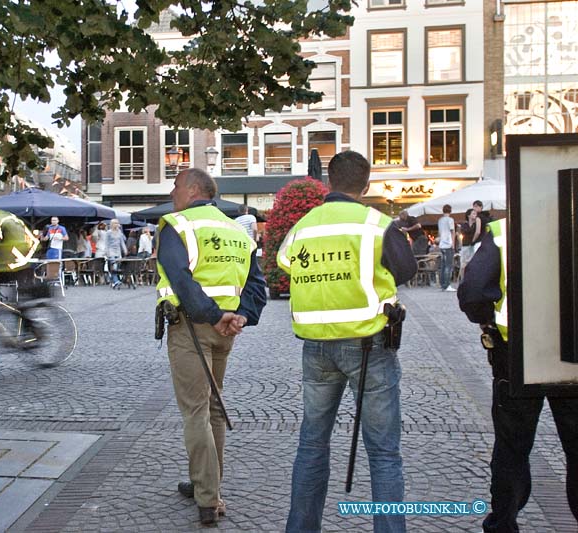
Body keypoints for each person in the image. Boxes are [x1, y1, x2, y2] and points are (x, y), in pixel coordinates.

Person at [278, 151, 416, 533]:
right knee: (384, 452)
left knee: (311, 444)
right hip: (368, 344)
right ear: (366, 185)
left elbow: (286, 262)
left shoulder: (303, 226)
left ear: (329, 183)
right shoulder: (376, 223)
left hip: (316, 346)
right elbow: (406, 268)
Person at [158, 168, 266, 525]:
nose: (172, 193)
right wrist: (241, 317)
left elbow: (180, 279)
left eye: (175, 186)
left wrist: (212, 314)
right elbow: (256, 286)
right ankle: (205, 480)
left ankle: (207, 496)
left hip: (192, 326)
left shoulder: (178, 225)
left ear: (192, 190)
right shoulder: (237, 230)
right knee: (214, 407)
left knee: (196, 411)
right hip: (226, 331)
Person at [457, 219, 578, 533]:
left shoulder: (502, 231)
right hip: (574, 351)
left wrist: (488, 324)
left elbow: (473, 293)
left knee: (511, 446)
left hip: (517, 351)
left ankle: (503, 524)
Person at [437, 204, 457, 291]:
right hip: (448, 244)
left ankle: (442, 284)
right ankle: (447, 285)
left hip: (442, 244)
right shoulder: (450, 220)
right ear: (450, 211)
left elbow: (439, 232)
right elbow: (452, 232)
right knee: (449, 265)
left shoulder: (440, 220)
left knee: (443, 265)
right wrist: (453, 244)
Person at [105, 218, 127, 289]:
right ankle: (116, 281)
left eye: (117, 223)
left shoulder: (119, 232)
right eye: (115, 223)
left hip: (118, 252)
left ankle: (113, 281)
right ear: (112, 224)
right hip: (111, 251)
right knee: (114, 266)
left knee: (116, 267)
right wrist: (107, 252)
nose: (117, 224)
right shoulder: (108, 232)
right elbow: (106, 243)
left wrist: (125, 250)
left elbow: (122, 242)